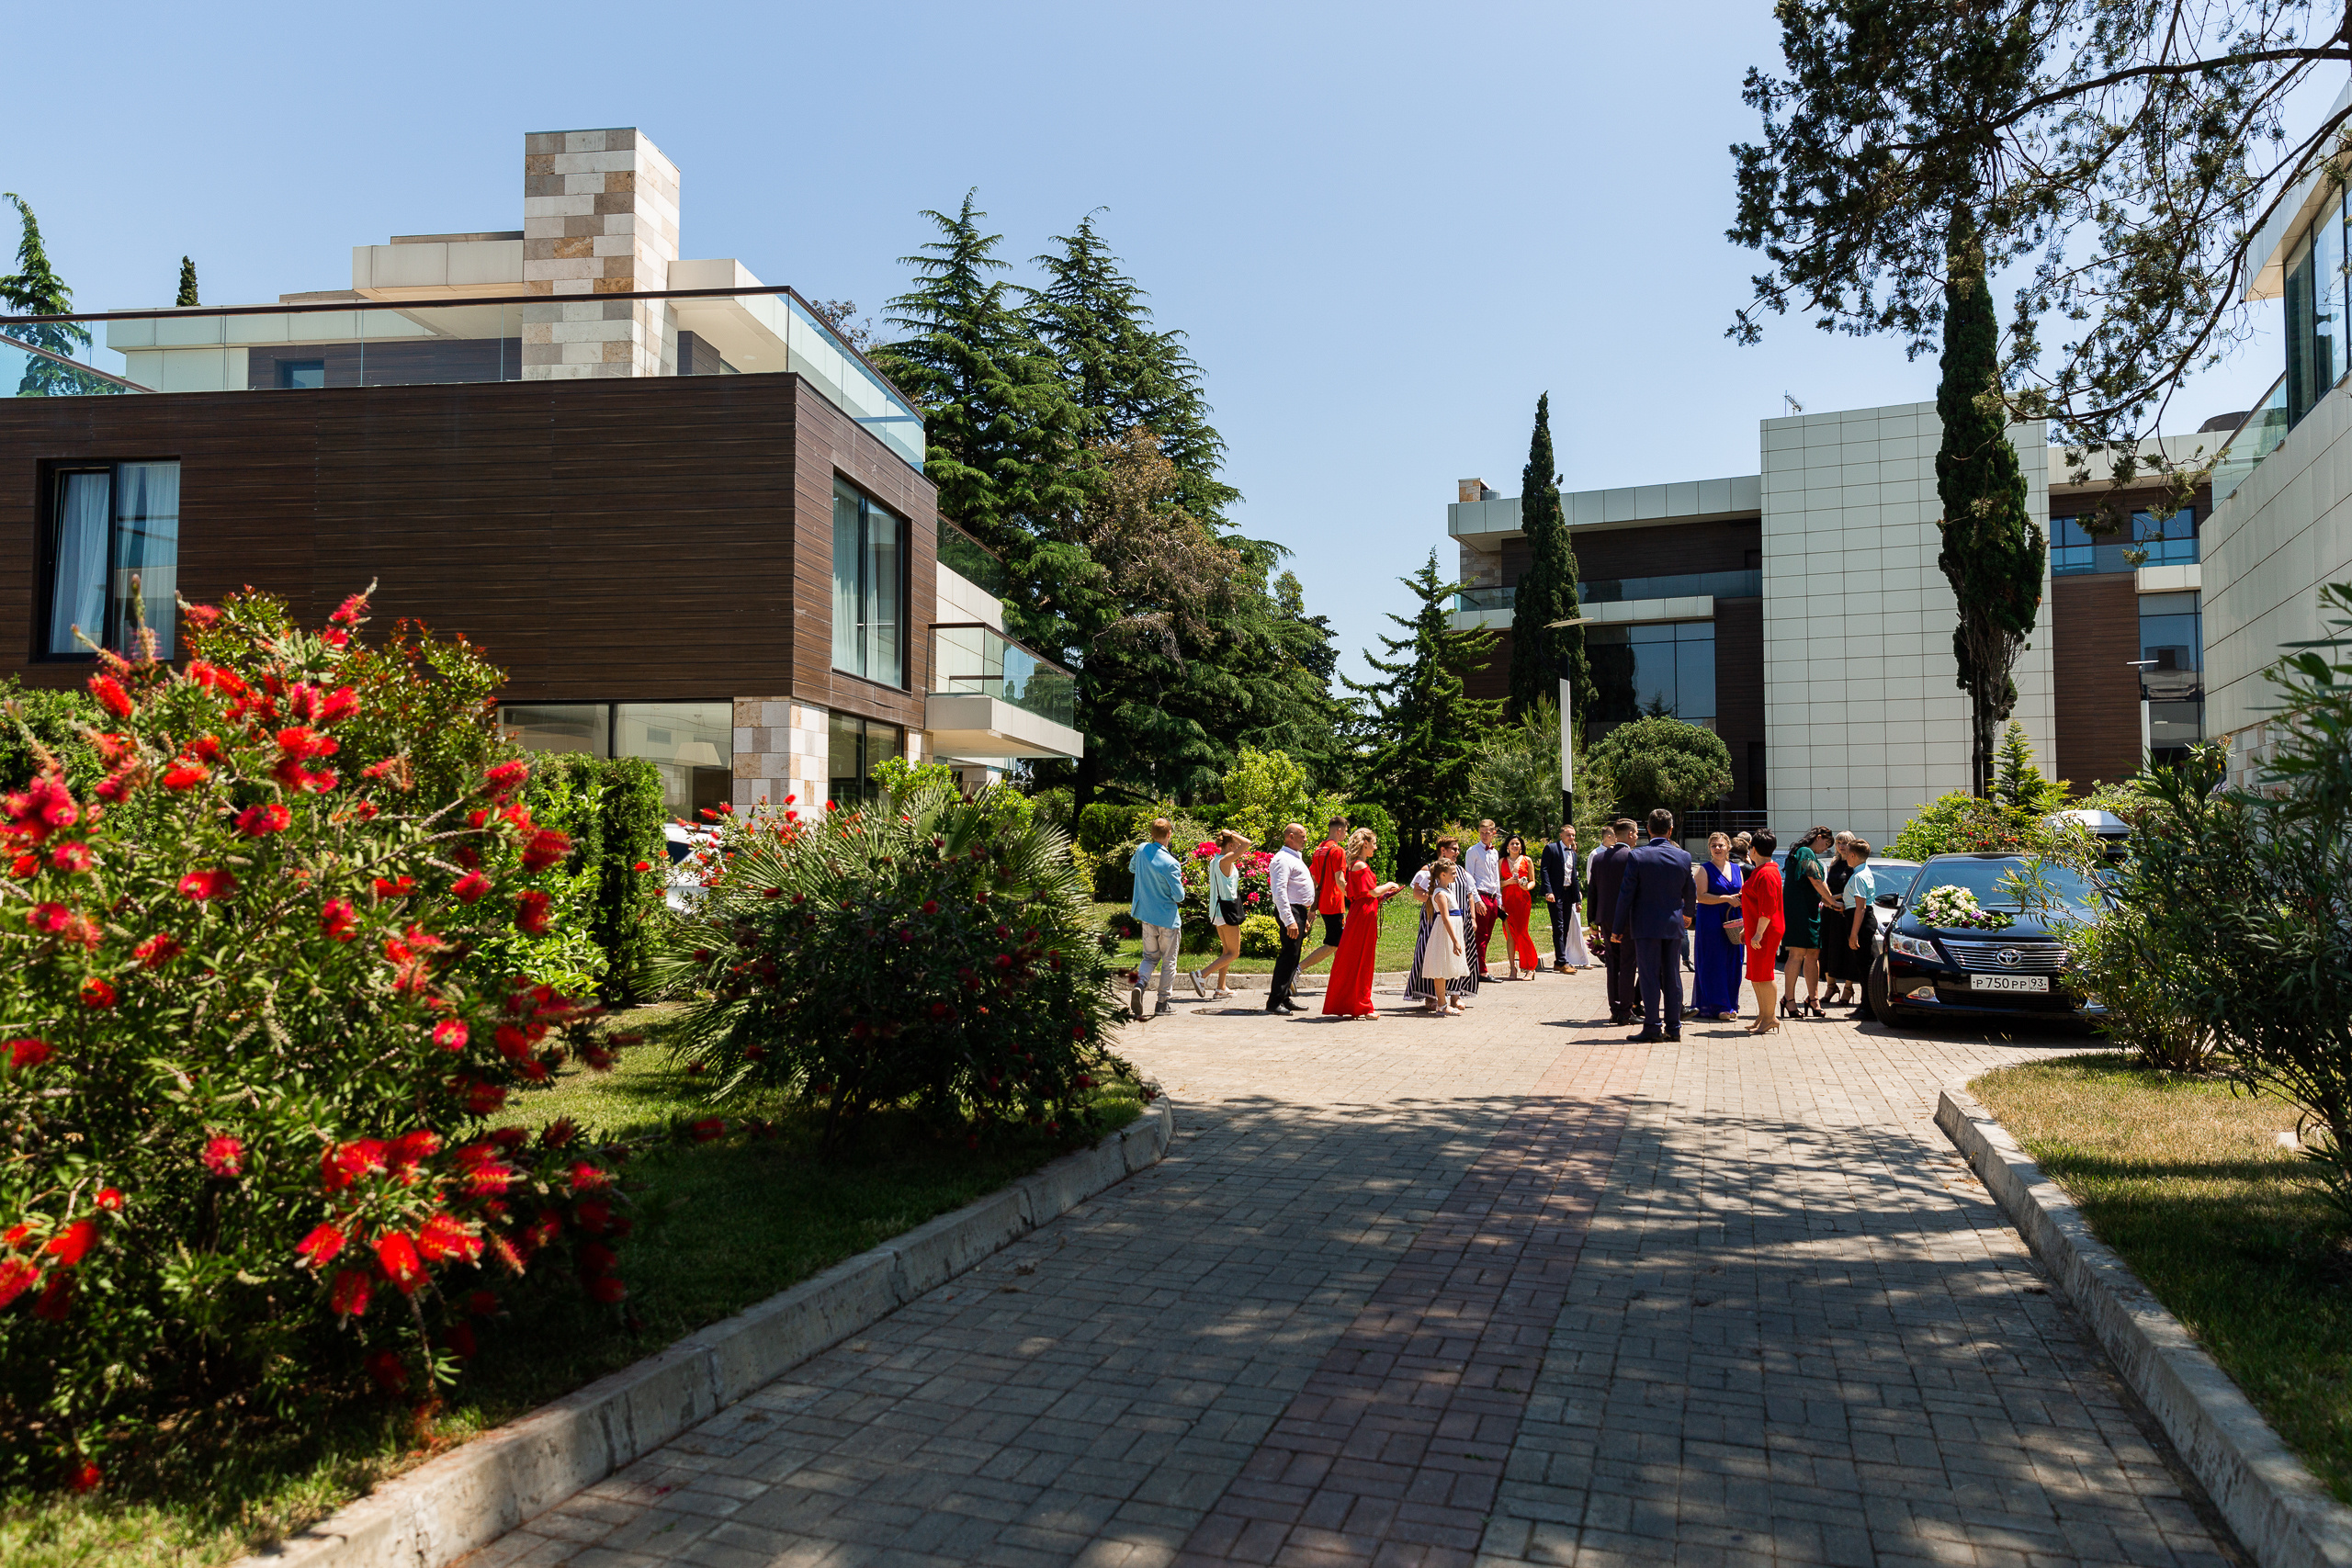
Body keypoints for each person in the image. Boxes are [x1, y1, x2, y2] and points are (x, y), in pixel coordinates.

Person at [1614, 807, 1696, 1042]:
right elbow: (1690, 890)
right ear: (1671, 830)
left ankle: (1652, 1027)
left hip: (1646, 925)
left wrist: (1617, 928)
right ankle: (1674, 1027)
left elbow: (1626, 895)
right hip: (1673, 924)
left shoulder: (1637, 856)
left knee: (1649, 976)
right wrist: (1688, 915)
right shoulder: (1683, 856)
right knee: (1672, 976)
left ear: (1648, 830)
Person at [1322, 829, 1397, 1019]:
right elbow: (1372, 892)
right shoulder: (1360, 866)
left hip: (1363, 913)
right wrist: (1389, 885)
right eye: (1374, 843)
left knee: (1358, 959)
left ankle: (1354, 1004)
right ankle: (1363, 1005)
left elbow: (1362, 893)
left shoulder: (1356, 865)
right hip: (1362, 916)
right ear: (1365, 844)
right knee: (1362, 960)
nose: (1375, 847)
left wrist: (1382, 895)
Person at [1406, 836, 1481, 1010]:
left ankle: (1455, 996)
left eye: (1458, 849)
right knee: (1434, 957)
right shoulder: (1428, 869)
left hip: (1459, 920)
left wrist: (1472, 918)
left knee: (1457, 957)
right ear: (1443, 850)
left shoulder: (1460, 871)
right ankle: (1432, 996)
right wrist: (1437, 900)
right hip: (1436, 920)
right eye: (1454, 849)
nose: (1457, 852)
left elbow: (1470, 894)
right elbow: (1417, 893)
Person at [1126, 819, 1185, 1021]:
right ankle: (1162, 1003)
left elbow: (1132, 868)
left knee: (1149, 957)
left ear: (1151, 834)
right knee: (1169, 961)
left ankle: (1140, 985)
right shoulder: (1171, 863)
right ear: (1169, 834)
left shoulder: (1142, 849)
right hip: (1167, 918)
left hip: (1146, 915)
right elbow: (1179, 896)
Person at [1781, 826, 1836, 1021]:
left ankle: (1813, 999)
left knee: (1813, 954)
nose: (1826, 849)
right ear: (1818, 837)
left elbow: (1818, 882)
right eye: (1826, 843)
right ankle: (1789, 999)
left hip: (1811, 910)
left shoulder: (1807, 853)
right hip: (1799, 911)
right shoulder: (1805, 851)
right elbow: (1815, 880)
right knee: (1796, 954)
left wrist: (1829, 899)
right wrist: (1832, 902)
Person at [1689, 830, 1745, 1021]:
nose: (1717, 848)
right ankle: (1717, 1006)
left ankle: (1731, 1004)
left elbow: (1742, 892)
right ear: (1709, 849)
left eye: (1721, 845)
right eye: (1714, 846)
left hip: (1733, 920)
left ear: (1728, 847)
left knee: (1734, 962)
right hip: (1711, 921)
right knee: (1714, 962)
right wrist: (1726, 898)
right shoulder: (1703, 869)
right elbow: (1700, 896)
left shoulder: (1737, 869)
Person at [1264, 822, 1317, 1015]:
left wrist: (1303, 916)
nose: (1305, 839)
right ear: (1291, 837)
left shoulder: (1293, 857)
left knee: (1294, 956)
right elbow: (1279, 893)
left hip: (1298, 911)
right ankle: (1274, 1002)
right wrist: (1289, 920)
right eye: (1302, 836)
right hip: (1291, 911)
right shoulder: (1282, 859)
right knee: (1288, 956)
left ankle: (1284, 997)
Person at [1191, 829, 1250, 1000]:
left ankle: (1221, 987)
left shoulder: (1215, 860)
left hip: (1218, 911)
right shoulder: (1225, 860)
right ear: (1230, 846)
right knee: (1234, 953)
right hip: (1227, 911)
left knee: (1226, 951)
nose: (1238, 848)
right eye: (1235, 846)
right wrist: (1232, 833)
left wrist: (1231, 835)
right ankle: (1201, 975)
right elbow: (1247, 843)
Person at [1589, 819, 1638, 1024]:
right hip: (1628, 918)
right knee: (1628, 964)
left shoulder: (1599, 858)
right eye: (1636, 833)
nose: (1637, 837)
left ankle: (1615, 1008)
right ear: (1629, 834)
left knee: (1612, 964)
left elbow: (1592, 891)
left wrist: (1593, 921)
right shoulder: (1633, 857)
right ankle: (1625, 1010)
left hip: (1606, 919)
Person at [1741, 830, 1786, 1034]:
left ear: (1753, 850)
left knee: (1765, 974)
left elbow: (1767, 907)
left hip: (1765, 930)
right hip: (1759, 928)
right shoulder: (1764, 871)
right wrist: (1749, 928)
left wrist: (1758, 933)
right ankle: (1764, 1015)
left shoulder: (1767, 873)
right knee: (1757, 974)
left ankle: (1770, 1017)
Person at [1416, 862, 1471, 1013]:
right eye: (1453, 873)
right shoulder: (1440, 893)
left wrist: (1459, 938)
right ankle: (1442, 1004)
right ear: (1443, 874)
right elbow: (1445, 918)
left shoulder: (1448, 891)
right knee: (1440, 966)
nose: (1456, 875)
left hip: (1453, 930)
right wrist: (1455, 941)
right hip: (1444, 932)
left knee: (1445, 966)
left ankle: (1443, 1003)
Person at [1834, 837, 1878, 1019]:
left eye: (1847, 854)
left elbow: (1860, 907)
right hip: (1859, 918)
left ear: (1852, 855)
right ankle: (1864, 1005)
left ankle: (1869, 1008)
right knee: (1863, 965)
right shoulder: (1863, 872)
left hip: (1859, 921)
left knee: (1865, 966)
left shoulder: (1859, 876)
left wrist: (1854, 934)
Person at [1302, 816, 1350, 976]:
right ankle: (1298, 969)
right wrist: (1355, 896)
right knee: (1333, 943)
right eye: (1346, 831)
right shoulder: (1338, 850)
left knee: (1340, 943)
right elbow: (1340, 881)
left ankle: (1341, 978)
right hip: (1334, 902)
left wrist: (1313, 906)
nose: (1346, 835)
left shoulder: (1319, 849)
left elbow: (1313, 879)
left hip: (1323, 902)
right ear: (1339, 830)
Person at [1462, 820, 1504, 978]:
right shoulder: (1472, 851)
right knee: (1481, 935)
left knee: (1487, 935)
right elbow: (1469, 877)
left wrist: (1499, 900)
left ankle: (1478, 967)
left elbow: (1496, 878)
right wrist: (1477, 900)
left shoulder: (1494, 852)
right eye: (1482, 833)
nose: (1484, 836)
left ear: (1494, 833)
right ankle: (1481, 971)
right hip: (1481, 895)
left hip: (1493, 897)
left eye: (1487, 833)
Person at [1541, 823, 1585, 972]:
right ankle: (1561, 961)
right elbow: (1544, 870)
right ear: (1561, 835)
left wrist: (1577, 900)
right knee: (1558, 927)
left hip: (1568, 893)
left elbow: (1575, 877)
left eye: (1573, 835)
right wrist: (1548, 891)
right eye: (1568, 835)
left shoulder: (1573, 853)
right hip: (1555, 894)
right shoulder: (1551, 848)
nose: (1571, 837)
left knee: (1565, 927)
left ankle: (1559, 960)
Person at [1498, 833, 1542, 979]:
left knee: (1522, 932)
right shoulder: (1501, 861)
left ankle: (1530, 967)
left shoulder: (1527, 860)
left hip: (1523, 900)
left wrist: (1526, 887)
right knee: (1510, 935)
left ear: (1521, 846)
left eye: (1517, 843)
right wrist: (1508, 882)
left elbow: (1533, 881)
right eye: (1512, 843)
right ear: (1507, 846)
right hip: (1507, 900)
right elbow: (1497, 883)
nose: (1515, 846)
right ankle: (1512, 968)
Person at [1821, 830, 1857, 1007]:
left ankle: (1848, 989)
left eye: (1845, 842)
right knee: (1827, 949)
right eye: (1839, 842)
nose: (1841, 846)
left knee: (1846, 951)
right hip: (1830, 912)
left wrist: (1832, 898)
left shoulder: (1854, 865)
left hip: (1845, 912)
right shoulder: (1833, 863)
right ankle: (1831, 986)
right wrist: (1828, 900)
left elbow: (1852, 890)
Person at [1584, 823, 1615, 966]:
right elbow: (1591, 879)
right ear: (1608, 837)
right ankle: (1601, 950)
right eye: (1615, 835)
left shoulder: (1614, 852)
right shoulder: (1595, 854)